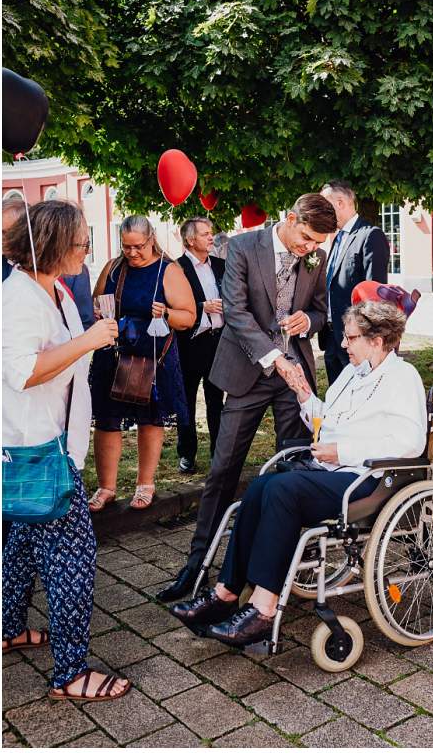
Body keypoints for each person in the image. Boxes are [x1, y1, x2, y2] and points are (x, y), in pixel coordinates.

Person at [168, 300, 426, 647]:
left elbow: (410, 442)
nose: (343, 345)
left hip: (368, 479)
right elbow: (327, 423)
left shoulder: (402, 377)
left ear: (377, 341)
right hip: (331, 469)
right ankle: (225, 592)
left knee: (284, 490)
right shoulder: (352, 372)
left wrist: (343, 451)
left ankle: (263, 608)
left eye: (351, 338)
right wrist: (304, 393)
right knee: (260, 486)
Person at [157, 194, 336, 604]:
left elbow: (323, 311)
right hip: (247, 373)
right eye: (306, 238)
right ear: (289, 219)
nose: (309, 249)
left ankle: (286, 563)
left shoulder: (316, 257)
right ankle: (196, 564)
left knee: (293, 467)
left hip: (296, 378)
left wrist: (309, 320)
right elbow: (235, 313)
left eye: (317, 245)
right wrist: (275, 357)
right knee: (223, 470)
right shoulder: (241, 246)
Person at [2, 199, 129, 700]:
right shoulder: (17, 300)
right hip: (38, 450)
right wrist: (90, 341)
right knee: (73, 554)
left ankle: (8, 627)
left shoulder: (52, 289)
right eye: (81, 242)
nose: (86, 250)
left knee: (23, 544)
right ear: (54, 244)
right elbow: (24, 371)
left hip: (56, 442)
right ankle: (71, 672)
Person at [87, 216, 196, 512]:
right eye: (127, 247)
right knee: (107, 420)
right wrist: (98, 312)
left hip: (153, 356)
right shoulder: (113, 267)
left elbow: (189, 317)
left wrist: (167, 314)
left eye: (138, 246)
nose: (132, 253)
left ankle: (145, 483)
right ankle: (106, 487)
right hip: (114, 353)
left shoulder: (168, 270)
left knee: (150, 419)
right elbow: (97, 301)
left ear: (151, 240)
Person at [318, 181, 391, 387]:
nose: (322, 213)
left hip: (356, 339)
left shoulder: (370, 236)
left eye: (325, 206)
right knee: (337, 397)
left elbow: (375, 297)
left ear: (340, 203)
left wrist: (364, 338)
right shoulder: (336, 239)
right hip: (331, 336)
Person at [175, 217, 226, 474]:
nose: (211, 237)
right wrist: (200, 307)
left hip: (218, 342)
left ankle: (219, 453)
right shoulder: (177, 268)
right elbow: (170, 305)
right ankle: (186, 453)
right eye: (205, 234)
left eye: (211, 233)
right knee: (186, 401)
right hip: (190, 343)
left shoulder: (220, 265)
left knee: (216, 400)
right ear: (190, 240)